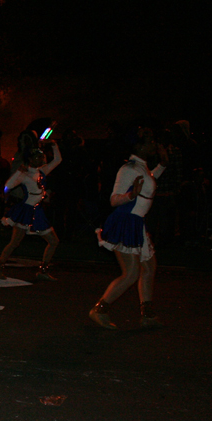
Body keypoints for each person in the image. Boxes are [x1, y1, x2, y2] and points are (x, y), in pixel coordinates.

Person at [90, 127, 168, 329]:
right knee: (131, 273)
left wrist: (163, 165)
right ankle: (100, 309)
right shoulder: (129, 169)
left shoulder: (140, 167)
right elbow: (114, 200)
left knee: (149, 267)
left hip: (135, 223)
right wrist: (131, 195)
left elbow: (148, 183)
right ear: (139, 146)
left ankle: (147, 315)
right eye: (150, 141)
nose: (154, 144)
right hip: (125, 222)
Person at [0, 133, 62, 281]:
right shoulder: (25, 175)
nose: (41, 159)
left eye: (41, 156)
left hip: (38, 211)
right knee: (15, 242)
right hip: (25, 211)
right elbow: (8, 186)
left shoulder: (42, 171)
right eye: (37, 157)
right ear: (30, 159)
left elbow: (57, 160)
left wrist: (53, 144)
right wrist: (19, 171)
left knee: (54, 241)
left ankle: (43, 270)